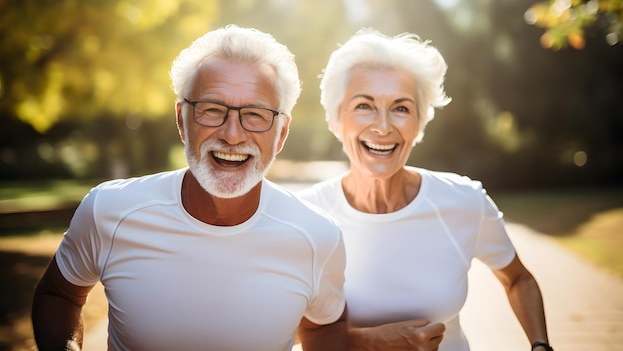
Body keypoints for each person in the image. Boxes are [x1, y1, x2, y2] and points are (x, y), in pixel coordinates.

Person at [31, 25, 348, 351]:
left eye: (254, 114)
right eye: (213, 110)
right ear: (182, 120)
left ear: (281, 133)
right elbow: (59, 294)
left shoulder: (318, 236)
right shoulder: (109, 209)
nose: (232, 134)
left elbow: (326, 326)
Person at [297, 28, 552, 351]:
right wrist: (370, 342)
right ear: (335, 119)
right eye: (364, 105)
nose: (383, 126)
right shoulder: (306, 218)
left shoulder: (464, 201)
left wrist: (540, 345)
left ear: (419, 124)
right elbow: (280, 332)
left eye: (401, 108)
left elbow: (518, 279)